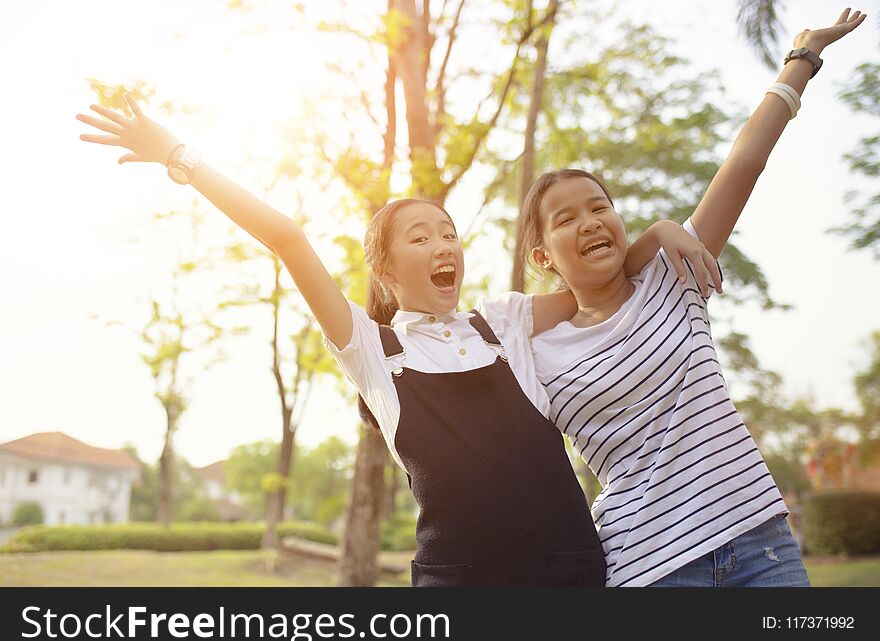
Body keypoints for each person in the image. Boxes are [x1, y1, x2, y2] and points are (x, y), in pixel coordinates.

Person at [76, 73, 717, 587]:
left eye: (449, 233)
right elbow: (288, 238)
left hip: (571, 572)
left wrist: (660, 235)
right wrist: (178, 156)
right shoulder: (374, 352)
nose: (444, 246)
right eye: (421, 236)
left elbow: (595, 281)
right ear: (384, 268)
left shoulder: (504, 323)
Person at [518, 8, 866, 587]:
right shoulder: (535, 349)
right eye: (566, 218)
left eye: (599, 206)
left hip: (759, 544)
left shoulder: (673, 275)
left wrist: (803, 56)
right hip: (650, 569)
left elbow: (744, 163)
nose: (589, 221)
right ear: (542, 257)